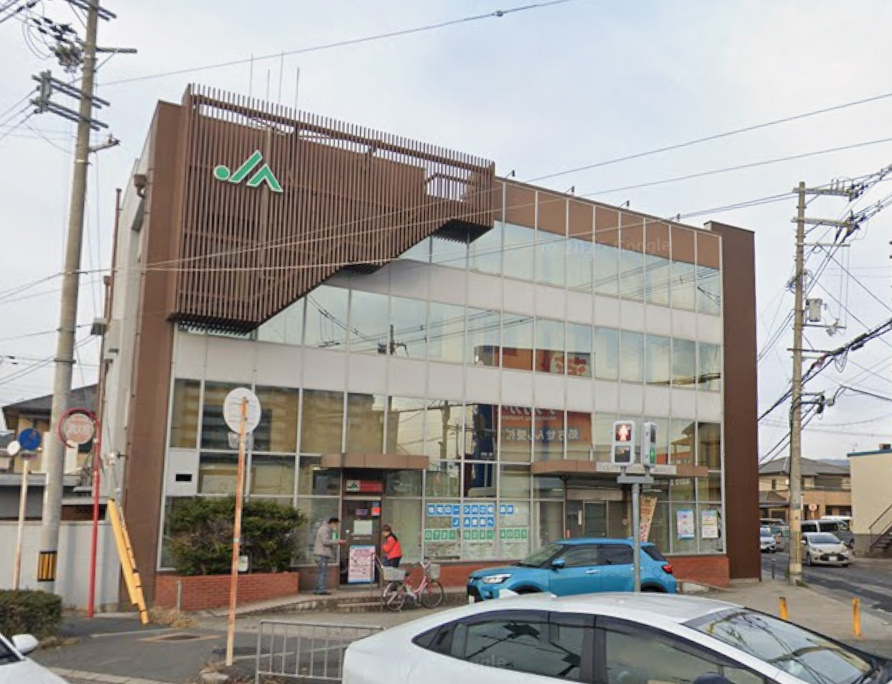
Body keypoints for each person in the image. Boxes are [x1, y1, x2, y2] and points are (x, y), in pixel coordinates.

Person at [313, 516, 344, 595]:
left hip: (321, 554)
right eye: (336, 524)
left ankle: (317, 589)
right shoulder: (325, 529)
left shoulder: (325, 529)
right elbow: (325, 541)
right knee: (322, 573)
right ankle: (321, 590)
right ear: (332, 523)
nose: (336, 526)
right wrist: (337, 541)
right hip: (322, 554)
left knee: (320, 572)